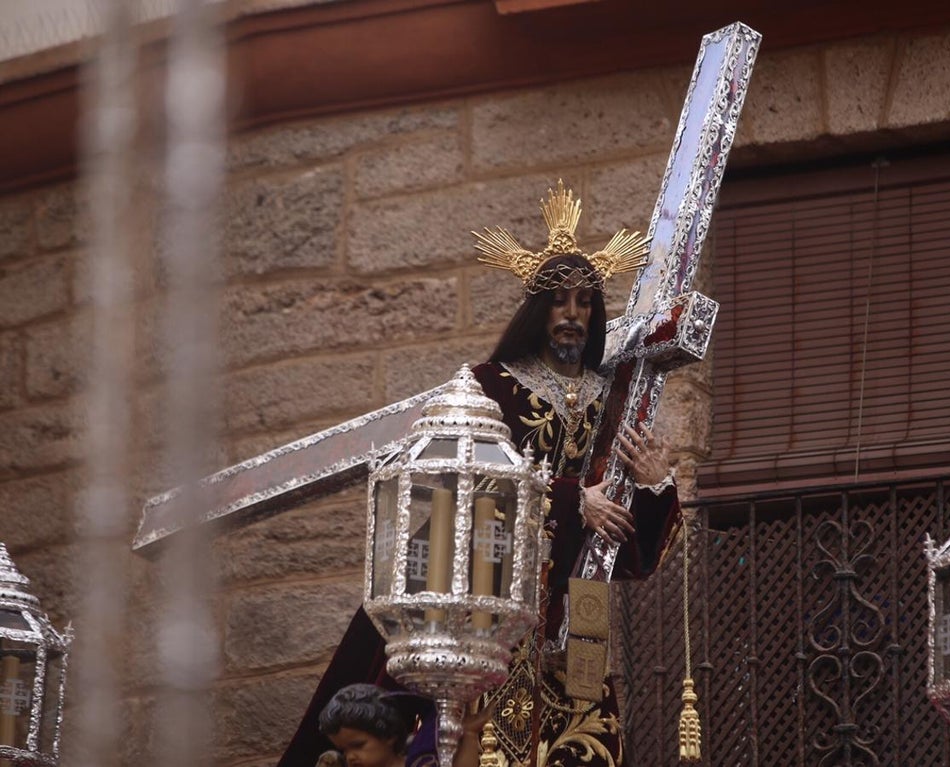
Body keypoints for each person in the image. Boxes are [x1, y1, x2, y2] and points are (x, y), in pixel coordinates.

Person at [278, 182, 680, 767]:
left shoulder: (615, 400)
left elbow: (633, 548)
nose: (572, 315)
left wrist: (653, 485)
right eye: (558, 302)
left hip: (579, 612)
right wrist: (574, 501)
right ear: (537, 311)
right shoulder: (490, 388)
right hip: (497, 605)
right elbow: (469, 485)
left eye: (584, 303)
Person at [315, 684, 485, 767]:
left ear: (389, 735)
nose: (350, 757)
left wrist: (469, 734)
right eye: (343, 751)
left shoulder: (421, 761)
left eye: (358, 745)